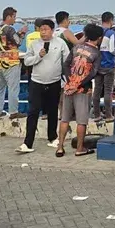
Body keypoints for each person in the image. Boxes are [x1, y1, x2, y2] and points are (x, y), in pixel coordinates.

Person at [19, 19, 69, 153]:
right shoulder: (34, 44)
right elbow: (27, 61)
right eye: (41, 29)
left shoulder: (60, 43)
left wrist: (67, 79)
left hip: (54, 82)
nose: (43, 32)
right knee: (33, 111)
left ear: (52, 30)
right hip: (37, 82)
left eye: (46, 29)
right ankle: (27, 143)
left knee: (52, 111)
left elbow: (67, 60)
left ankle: (52, 137)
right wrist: (38, 56)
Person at [58, 24, 103, 157]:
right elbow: (93, 72)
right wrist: (79, 83)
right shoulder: (96, 53)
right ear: (99, 38)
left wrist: (70, 81)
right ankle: (79, 148)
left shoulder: (76, 47)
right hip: (83, 89)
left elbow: (66, 64)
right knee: (81, 121)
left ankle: (60, 147)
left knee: (65, 119)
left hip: (68, 88)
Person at [0, 7, 28, 119]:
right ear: (8, 17)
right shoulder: (10, 29)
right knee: (13, 88)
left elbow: (7, 42)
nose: (14, 19)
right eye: (13, 17)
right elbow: (17, 42)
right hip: (11, 62)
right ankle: (13, 111)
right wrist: (22, 33)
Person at [94, 11, 115, 121]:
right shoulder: (111, 33)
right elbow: (112, 49)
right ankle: (108, 115)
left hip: (97, 65)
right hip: (109, 64)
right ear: (111, 20)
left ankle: (97, 115)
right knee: (108, 91)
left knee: (97, 90)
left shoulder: (96, 32)